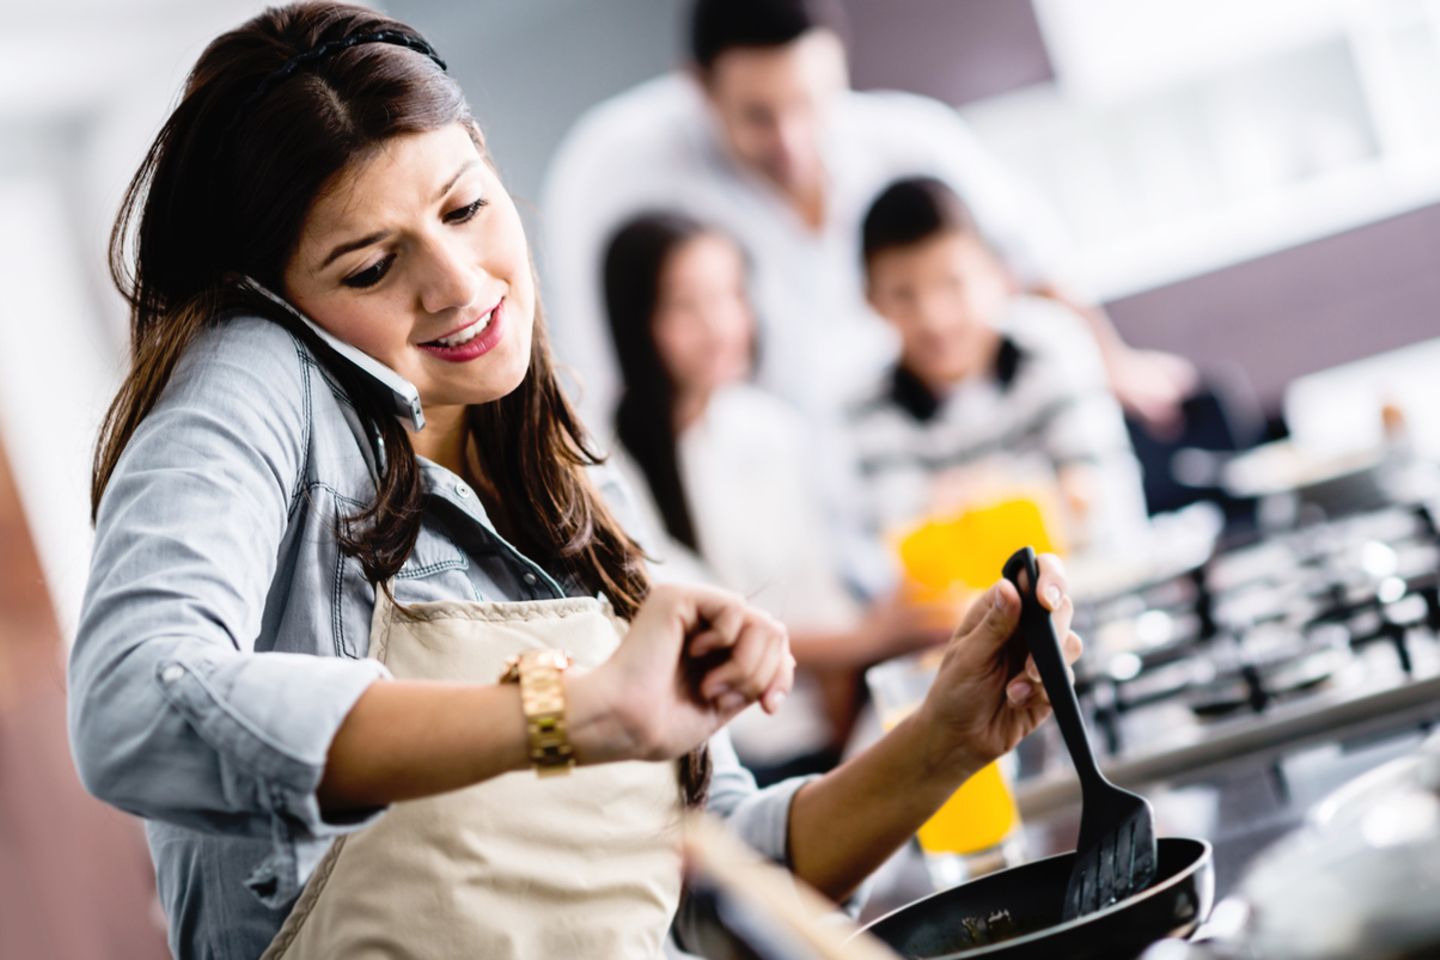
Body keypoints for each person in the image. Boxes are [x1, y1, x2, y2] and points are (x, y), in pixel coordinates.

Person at [67, 6, 1079, 959]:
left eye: (467, 208)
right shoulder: (260, 374)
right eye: (372, 267)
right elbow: (133, 706)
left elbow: (713, 865)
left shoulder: (572, 482)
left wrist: (947, 739)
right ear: (279, 301)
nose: (460, 283)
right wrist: (572, 714)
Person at [541, 0, 1196, 435]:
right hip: (775, 482)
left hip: (930, 451)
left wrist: (1116, 364)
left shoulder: (911, 136)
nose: (793, 141)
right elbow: (601, 379)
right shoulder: (615, 166)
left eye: (811, 101)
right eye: (759, 116)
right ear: (698, 87)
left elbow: (1031, 260)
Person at [600, 212, 949, 782]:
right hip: (727, 752)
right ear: (637, 320)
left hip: (828, 729)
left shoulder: (768, 428)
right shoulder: (612, 467)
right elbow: (700, 629)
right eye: (685, 305)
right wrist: (871, 636)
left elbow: (820, 590)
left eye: (731, 296)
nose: (720, 325)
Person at [848, 176, 1150, 567]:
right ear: (872, 300)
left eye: (952, 284)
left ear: (996, 274)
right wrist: (1039, 499)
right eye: (903, 294)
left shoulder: (1052, 346)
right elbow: (901, 560)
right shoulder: (864, 409)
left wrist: (965, 513)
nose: (934, 317)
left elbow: (1105, 508)